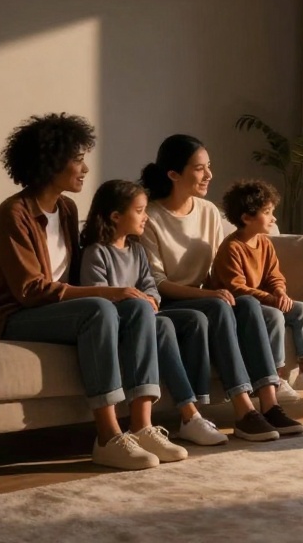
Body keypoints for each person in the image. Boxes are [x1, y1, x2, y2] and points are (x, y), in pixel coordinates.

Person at [0, 113, 185, 470]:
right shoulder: (13, 214)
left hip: (53, 310)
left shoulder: (66, 209)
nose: (85, 169)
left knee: (140, 308)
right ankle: (108, 437)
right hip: (11, 315)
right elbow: (30, 290)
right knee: (100, 309)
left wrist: (127, 295)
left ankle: (142, 427)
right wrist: (109, 293)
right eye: (78, 159)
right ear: (51, 162)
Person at [139, 134, 303, 439]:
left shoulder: (208, 211)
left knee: (249, 304)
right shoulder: (149, 217)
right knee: (218, 305)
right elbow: (159, 283)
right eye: (199, 168)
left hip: (209, 295)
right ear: (174, 174)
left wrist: (233, 292)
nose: (209, 175)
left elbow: (220, 266)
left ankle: (269, 405)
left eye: (209, 166)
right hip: (172, 301)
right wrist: (210, 294)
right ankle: (243, 411)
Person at [79, 179, 229, 447]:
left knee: (194, 319)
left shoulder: (137, 250)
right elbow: (96, 294)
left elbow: (150, 286)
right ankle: (186, 416)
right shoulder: (96, 252)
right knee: (163, 326)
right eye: (139, 211)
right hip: (122, 321)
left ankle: (194, 412)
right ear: (115, 216)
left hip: (145, 314)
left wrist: (151, 300)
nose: (145, 217)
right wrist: (136, 302)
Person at [209, 180, 303, 394]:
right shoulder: (231, 248)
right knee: (274, 316)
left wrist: (280, 292)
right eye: (267, 212)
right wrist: (271, 299)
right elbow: (237, 288)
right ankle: (276, 376)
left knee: (301, 309)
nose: (273, 218)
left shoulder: (265, 243)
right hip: (239, 307)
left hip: (265, 300)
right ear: (247, 218)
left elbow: (275, 275)